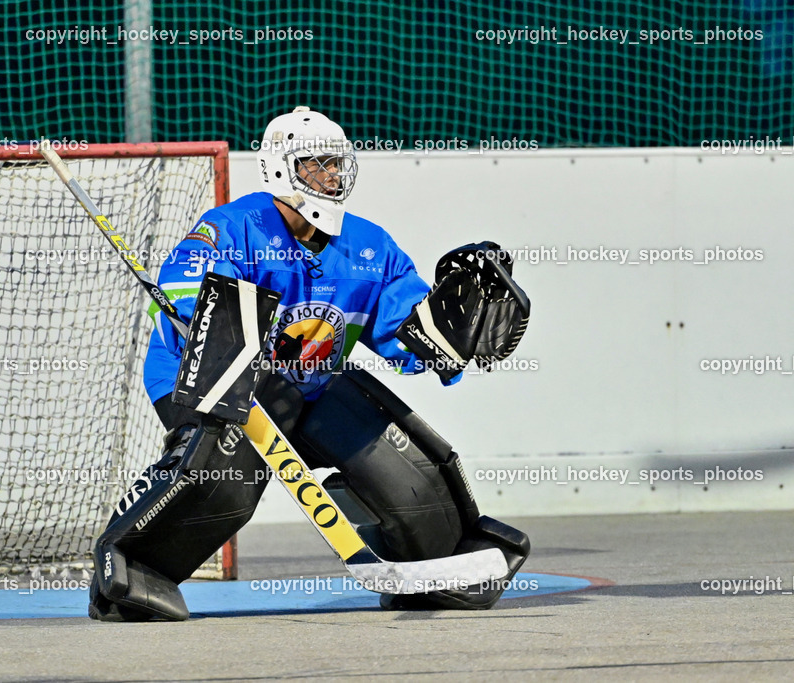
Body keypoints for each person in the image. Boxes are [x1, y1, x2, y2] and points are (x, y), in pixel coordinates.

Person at [89, 107, 530, 622]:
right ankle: (128, 567)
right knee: (224, 481)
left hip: (314, 386)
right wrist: (203, 301)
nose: (332, 176)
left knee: (411, 474)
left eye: (337, 164)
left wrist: (448, 338)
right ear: (280, 169)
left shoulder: (371, 247)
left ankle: (435, 561)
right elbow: (185, 283)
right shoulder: (235, 226)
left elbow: (404, 330)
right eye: (315, 164)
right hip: (211, 379)